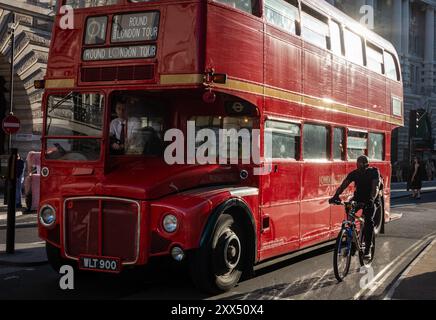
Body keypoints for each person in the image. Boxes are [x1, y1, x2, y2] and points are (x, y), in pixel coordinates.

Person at [329, 155, 381, 259]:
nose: (360, 166)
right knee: (349, 211)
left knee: (368, 221)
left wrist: (371, 199)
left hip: (371, 200)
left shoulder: (374, 172)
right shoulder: (355, 173)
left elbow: (375, 187)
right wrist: (335, 196)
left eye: (362, 164)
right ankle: (353, 239)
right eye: (358, 164)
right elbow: (344, 184)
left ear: (366, 164)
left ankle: (367, 249)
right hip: (358, 199)